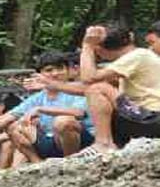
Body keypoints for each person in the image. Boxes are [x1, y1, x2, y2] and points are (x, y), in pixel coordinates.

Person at [36, 23, 160, 154]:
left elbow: (89, 79)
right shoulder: (128, 63)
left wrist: (87, 46)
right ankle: (108, 143)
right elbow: (86, 89)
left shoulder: (139, 55)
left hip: (152, 117)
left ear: (99, 48)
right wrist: (50, 84)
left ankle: (103, 143)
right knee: (97, 89)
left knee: (98, 88)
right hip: (142, 117)